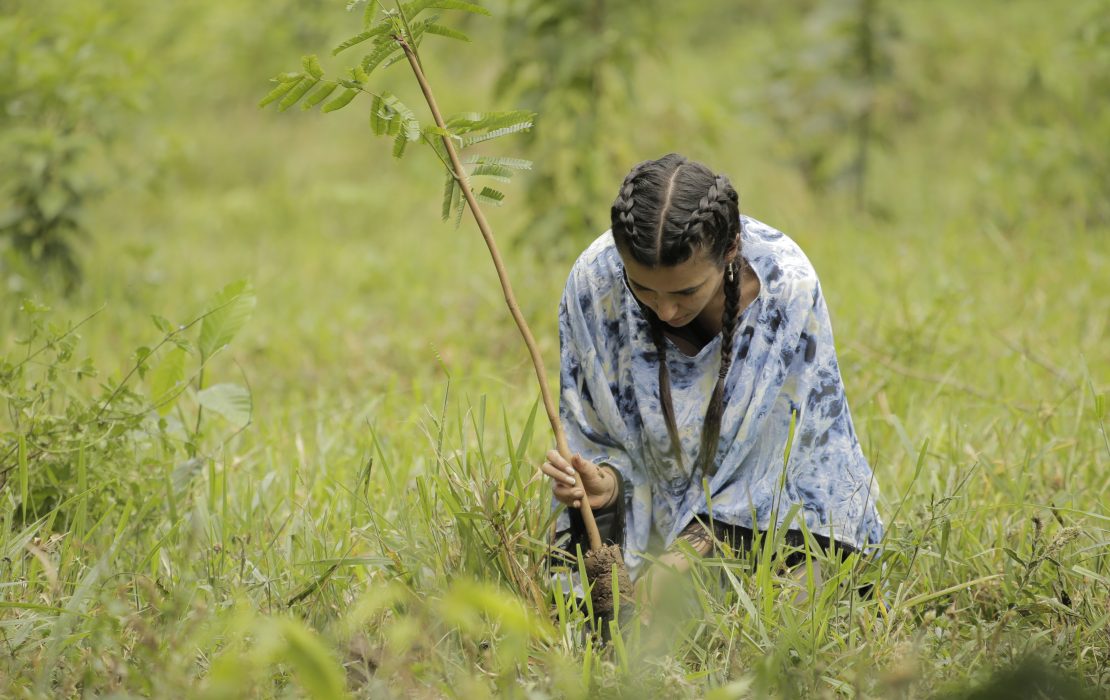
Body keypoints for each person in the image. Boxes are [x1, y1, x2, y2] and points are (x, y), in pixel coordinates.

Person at [538, 153, 884, 609]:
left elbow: (794, 468)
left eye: (685, 292)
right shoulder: (594, 286)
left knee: (783, 601)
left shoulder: (785, 289)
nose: (665, 311)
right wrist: (604, 488)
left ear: (732, 249)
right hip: (641, 527)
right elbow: (596, 438)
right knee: (592, 607)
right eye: (643, 289)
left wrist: (694, 549)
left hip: (769, 528)